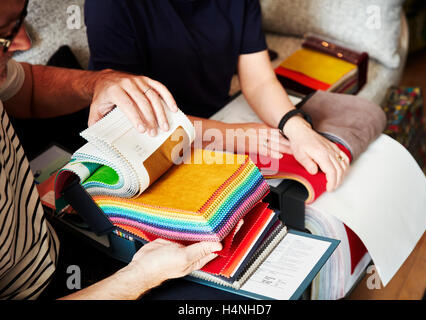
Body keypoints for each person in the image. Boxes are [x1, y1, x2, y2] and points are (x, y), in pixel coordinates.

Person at [0, 0, 222, 300]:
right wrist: (140, 277)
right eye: (3, 35)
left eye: (18, 22)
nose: (25, 41)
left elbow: (25, 90)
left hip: (54, 245)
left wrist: (100, 81)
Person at [85, 0, 351, 193]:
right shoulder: (111, 6)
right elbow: (126, 117)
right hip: (147, 144)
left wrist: (296, 127)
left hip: (216, 115)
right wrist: (234, 135)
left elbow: (258, 81)